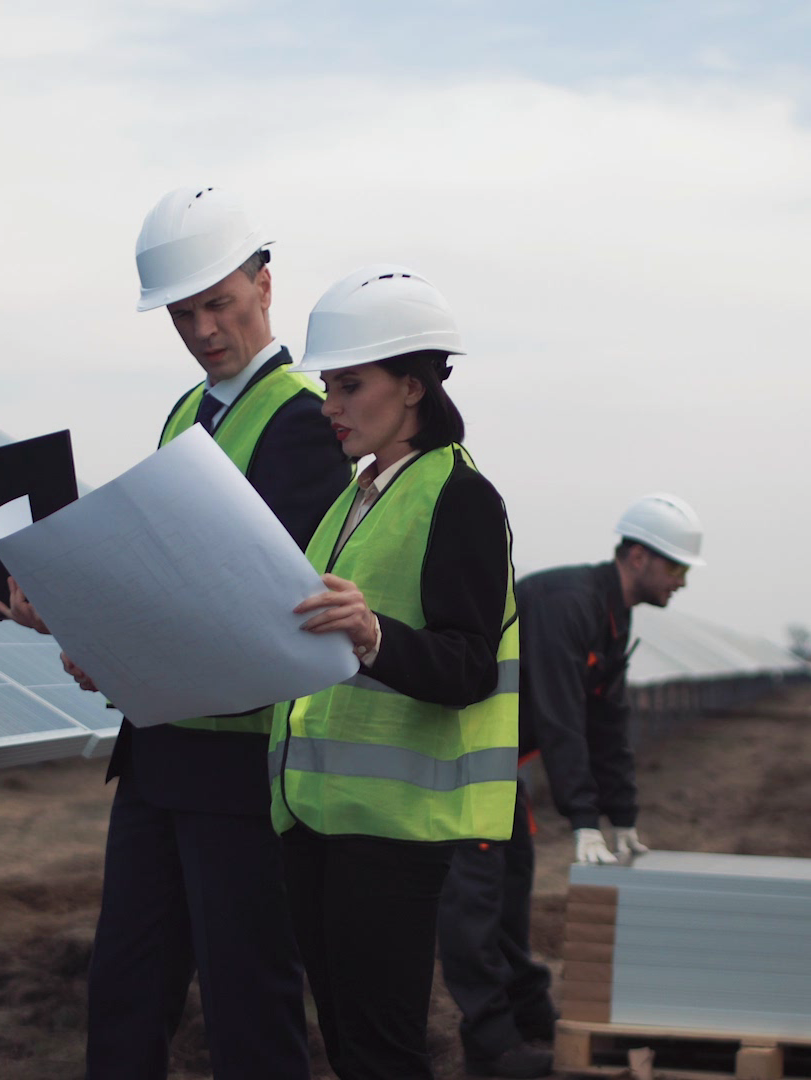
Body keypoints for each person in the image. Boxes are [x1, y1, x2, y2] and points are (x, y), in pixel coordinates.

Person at [0, 185, 349, 1079]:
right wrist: (84, 630)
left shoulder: (305, 422)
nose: (203, 330)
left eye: (218, 304)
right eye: (183, 314)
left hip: (243, 770)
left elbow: (270, 616)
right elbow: (172, 583)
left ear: (265, 285)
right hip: (158, 757)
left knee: (248, 1004)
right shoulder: (186, 416)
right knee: (124, 993)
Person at [274, 264, 518, 1080]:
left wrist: (375, 634)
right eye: (328, 387)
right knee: (351, 1049)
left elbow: (469, 667)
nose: (329, 406)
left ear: (412, 387)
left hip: (391, 833)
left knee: (382, 1055)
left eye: (349, 386)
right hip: (316, 819)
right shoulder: (356, 499)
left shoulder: (460, 496)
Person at [436, 494, 706, 1077]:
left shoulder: (613, 615)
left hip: (496, 765)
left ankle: (530, 1017)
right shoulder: (569, 603)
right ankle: (490, 1047)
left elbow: (607, 719)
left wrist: (622, 815)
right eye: (676, 566)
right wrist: (583, 818)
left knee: (512, 891)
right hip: (462, 758)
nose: (682, 581)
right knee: (475, 905)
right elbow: (560, 715)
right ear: (638, 557)